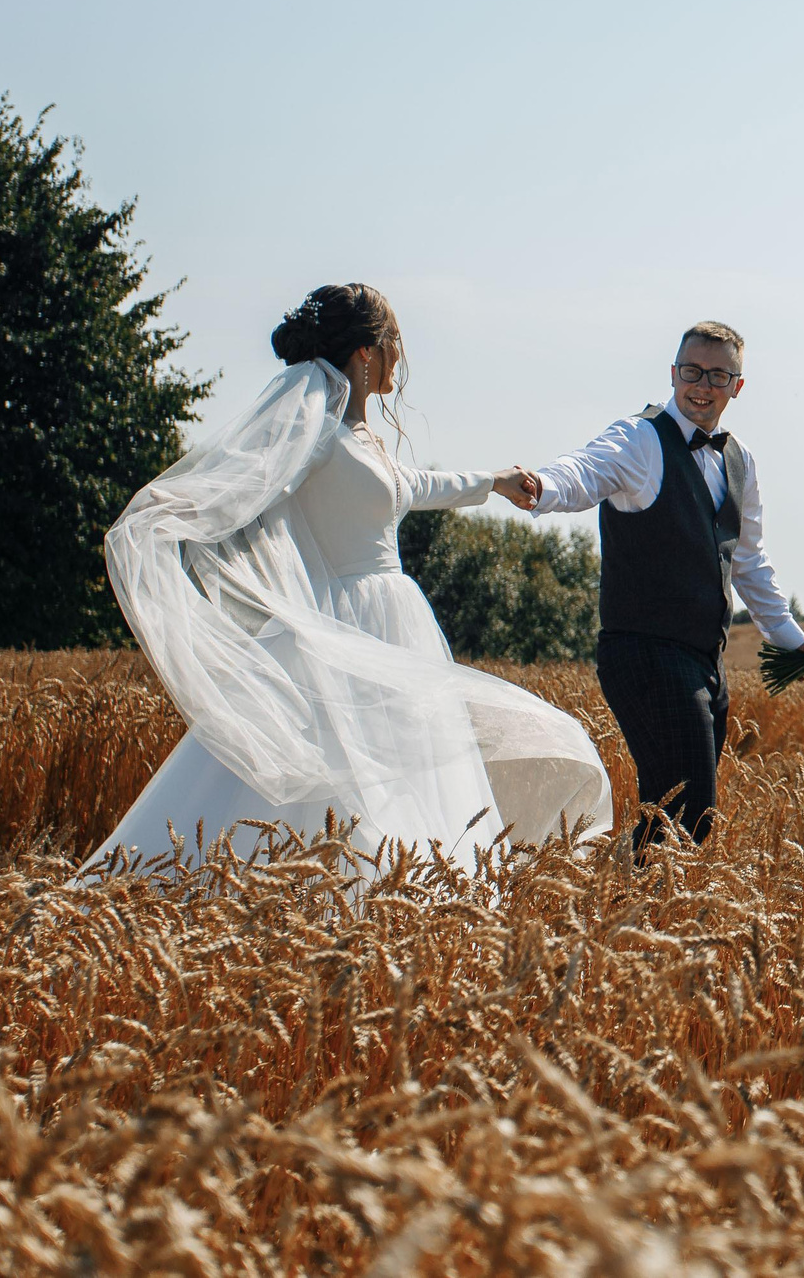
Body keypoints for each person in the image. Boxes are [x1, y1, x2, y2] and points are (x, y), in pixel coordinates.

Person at [90, 284, 612, 870]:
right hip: (343, 628)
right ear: (367, 351)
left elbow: (411, 486)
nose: (400, 356)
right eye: (395, 342)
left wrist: (493, 482)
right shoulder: (313, 435)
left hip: (392, 626)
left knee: (398, 781)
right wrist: (167, 515)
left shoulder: (363, 441)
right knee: (341, 781)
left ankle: (381, 891)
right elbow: (244, 484)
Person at [508, 320, 804, 852]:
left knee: (675, 818)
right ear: (673, 374)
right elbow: (586, 468)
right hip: (643, 651)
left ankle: (615, 891)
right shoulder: (639, 438)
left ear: (737, 386)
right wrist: (542, 485)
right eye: (692, 371)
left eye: (718, 376)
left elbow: (748, 561)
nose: (702, 385)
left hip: (705, 662)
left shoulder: (740, 460)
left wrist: (791, 640)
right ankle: (623, 892)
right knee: (689, 812)